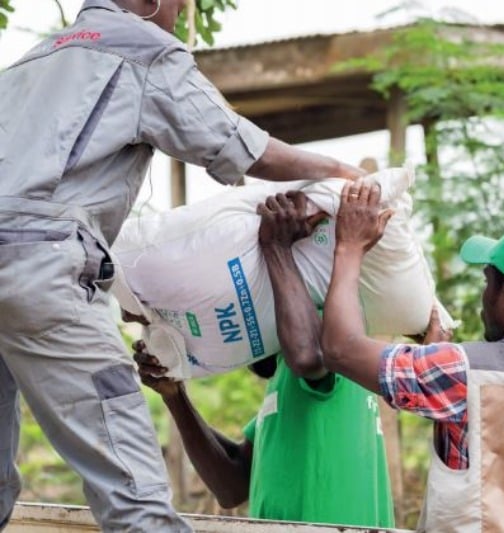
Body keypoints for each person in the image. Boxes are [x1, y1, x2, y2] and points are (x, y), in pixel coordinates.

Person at [0, 1, 364, 530]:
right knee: (132, 492)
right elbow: (241, 146)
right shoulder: (140, 47)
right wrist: (340, 172)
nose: (181, 13)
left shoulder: (29, 63)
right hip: (41, 268)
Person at [320, 181, 504, 532]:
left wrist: (349, 247)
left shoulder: (462, 372)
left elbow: (340, 348)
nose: (483, 297)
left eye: (487, 283)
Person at [133, 191, 395, 527]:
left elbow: (308, 356)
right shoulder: (286, 382)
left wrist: (276, 248)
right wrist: (174, 395)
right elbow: (231, 486)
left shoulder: (330, 336)